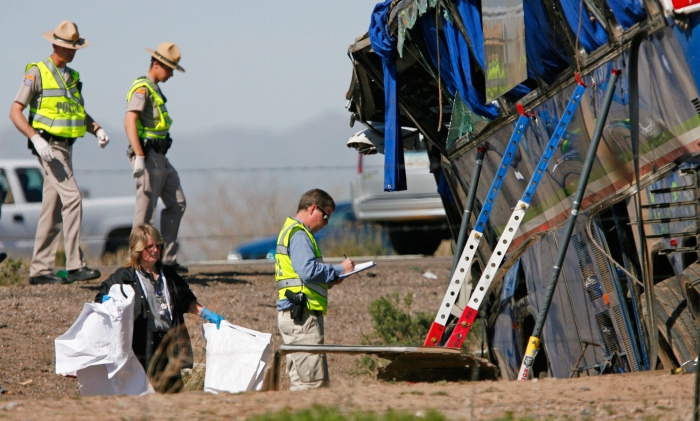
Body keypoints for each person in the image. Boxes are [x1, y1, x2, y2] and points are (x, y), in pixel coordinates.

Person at [9, 21, 109, 285]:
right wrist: (35, 139)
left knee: (52, 209)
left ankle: (40, 270)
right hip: (49, 147)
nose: (71, 51)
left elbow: (76, 113)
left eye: (74, 47)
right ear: (55, 44)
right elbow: (15, 111)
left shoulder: (73, 77)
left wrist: (95, 128)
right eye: (66, 46)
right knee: (73, 198)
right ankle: (75, 264)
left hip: (66, 148)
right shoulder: (37, 71)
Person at [95, 224, 224, 393]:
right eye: (150, 247)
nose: (155, 250)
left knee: (174, 395)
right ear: (138, 249)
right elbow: (100, 300)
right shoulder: (124, 276)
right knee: (142, 394)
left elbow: (188, 301)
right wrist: (107, 300)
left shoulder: (169, 275)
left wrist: (208, 314)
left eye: (158, 246)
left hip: (168, 345)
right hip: (140, 347)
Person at [275, 189, 355, 391]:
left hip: (296, 316)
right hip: (302, 318)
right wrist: (339, 269)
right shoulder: (300, 235)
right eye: (326, 216)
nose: (326, 222)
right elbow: (308, 271)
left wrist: (330, 280)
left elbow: (300, 277)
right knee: (313, 386)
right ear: (313, 209)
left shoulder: (290, 230)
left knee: (301, 384)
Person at [124, 42, 188, 273]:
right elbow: (130, 120)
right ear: (157, 64)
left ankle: (167, 259)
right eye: (169, 68)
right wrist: (139, 156)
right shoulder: (143, 88)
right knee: (145, 212)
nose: (171, 73)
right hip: (148, 156)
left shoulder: (155, 89)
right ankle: (137, 263)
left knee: (177, 202)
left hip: (161, 156)